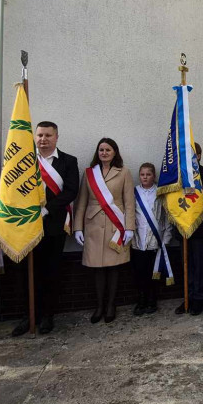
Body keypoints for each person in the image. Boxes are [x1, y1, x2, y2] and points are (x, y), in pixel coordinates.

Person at [12, 121, 79, 336]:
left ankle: (48, 316)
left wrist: (47, 209)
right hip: (27, 226)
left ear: (56, 137)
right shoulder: (24, 161)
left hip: (53, 227)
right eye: (40, 135)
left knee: (50, 272)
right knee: (27, 273)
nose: (43, 139)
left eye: (48, 135)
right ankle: (28, 315)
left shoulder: (68, 161)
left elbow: (71, 191)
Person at [73, 138, 134, 324]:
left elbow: (129, 202)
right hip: (93, 227)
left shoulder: (123, 172)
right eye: (101, 150)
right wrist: (77, 228)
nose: (104, 153)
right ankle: (99, 306)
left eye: (108, 149)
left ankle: (110, 305)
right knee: (97, 270)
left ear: (115, 152)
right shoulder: (89, 173)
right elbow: (81, 202)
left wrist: (130, 227)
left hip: (116, 227)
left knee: (113, 268)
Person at [178, 142, 203, 316]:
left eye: (194, 155)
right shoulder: (178, 175)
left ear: (199, 156)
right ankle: (187, 297)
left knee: (199, 266)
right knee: (186, 266)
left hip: (200, 228)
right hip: (184, 227)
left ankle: (198, 299)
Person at [131, 162, 171, 316]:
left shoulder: (160, 193)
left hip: (155, 241)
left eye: (148, 174)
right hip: (138, 241)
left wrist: (166, 238)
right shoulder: (134, 192)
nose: (145, 177)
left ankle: (152, 300)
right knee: (139, 273)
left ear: (154, 176)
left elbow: (167, 217)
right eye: (142, 174)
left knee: (153, 273)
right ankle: (141, 300)